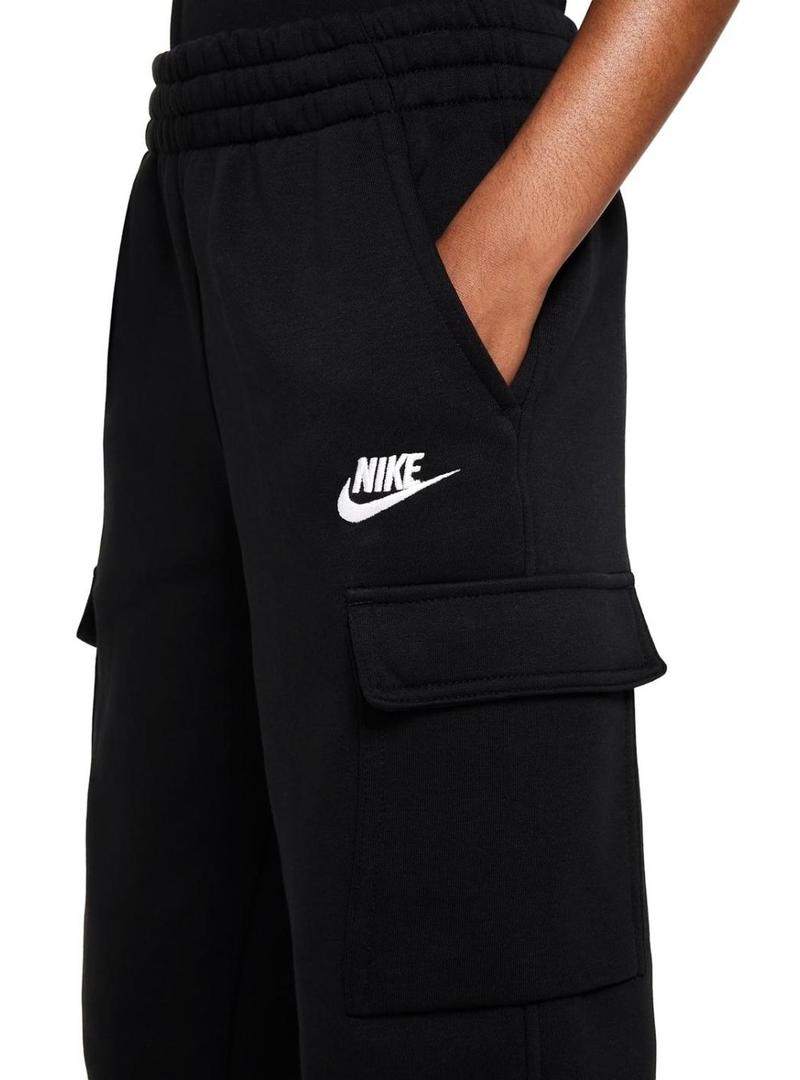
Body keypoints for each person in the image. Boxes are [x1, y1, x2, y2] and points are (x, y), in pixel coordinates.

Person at [77, 0, 737, 1076]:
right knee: (169, 1000)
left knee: (457, 1014)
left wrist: (500, 263)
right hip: (191, 173)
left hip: (427, 172)